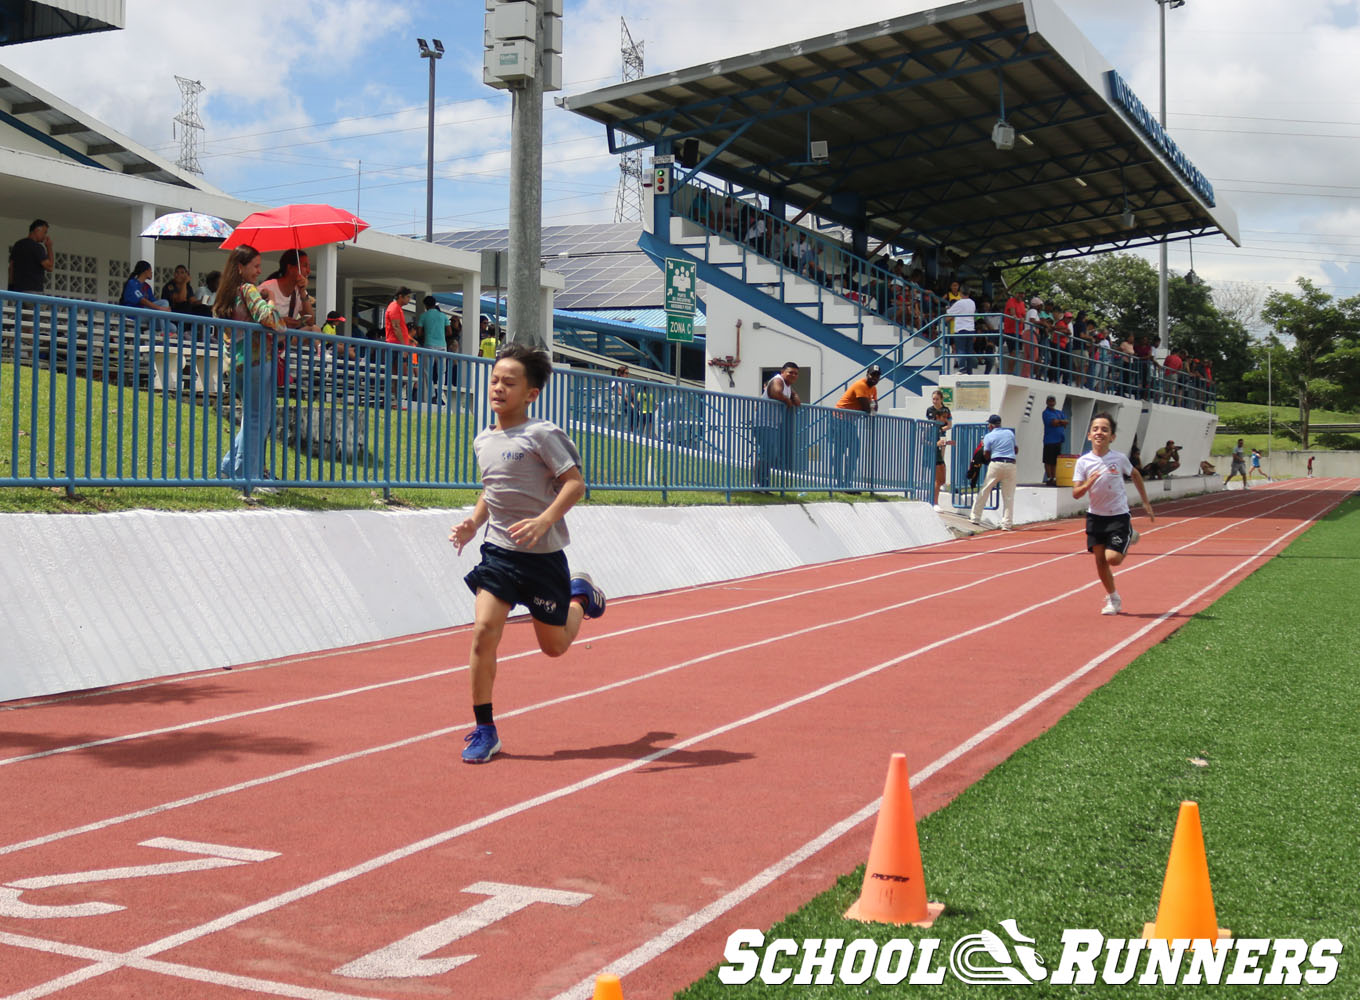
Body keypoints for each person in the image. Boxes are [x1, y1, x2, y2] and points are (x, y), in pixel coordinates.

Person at [449, 343, 607, 764]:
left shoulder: (542, 435)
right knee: (484, 630)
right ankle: (485, 729)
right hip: (500, 553)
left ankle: (579, 597)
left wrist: (544, 520)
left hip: (543, 556)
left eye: (510, 382)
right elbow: (493, 491)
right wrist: (472, 523)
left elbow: (574, 484)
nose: (498, 388)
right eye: (495, 380)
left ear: (531, 393)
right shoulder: (483, 439)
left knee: (553, 647)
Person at [215, 244, 284, 488]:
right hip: (256, 362)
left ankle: (228, 468)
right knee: (258, 420)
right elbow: (271, 320)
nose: (259, 271)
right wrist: (273, 300)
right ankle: (249, 477)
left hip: (236, 364)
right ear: (241, 267)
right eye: (255, 266)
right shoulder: (247, 289)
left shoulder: (226, 293)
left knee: (251, 418)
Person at [1072, 411, 1155, 615]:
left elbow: (1135, 474)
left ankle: (1128, 535)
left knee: (1113, 559)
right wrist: (1088, 483)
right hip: (1095, 517)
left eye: (1105, 429)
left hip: (1118, 516)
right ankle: (1113, 598)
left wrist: (1145, 502)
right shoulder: (1083, 462)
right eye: (1096, 429)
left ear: (1112, 436)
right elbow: (1076, 493)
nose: (1100, 432)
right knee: (1100, 562)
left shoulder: (1118, 458)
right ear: (1089, 435)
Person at [753, 361, 801, 490]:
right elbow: (776, 392)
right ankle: (757, 484)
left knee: (770, 454)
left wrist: (794, 398)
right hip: (763, 423)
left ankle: (764, 484)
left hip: (772, 424)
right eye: (790, 372)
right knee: (766, 453)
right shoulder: (777, 380)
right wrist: (787, 401)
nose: (793, 375)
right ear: (782, 372)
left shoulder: (788, 385)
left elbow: (795, 397)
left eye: (796, 374)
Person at [834, 364, 880, 490]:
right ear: (867, 374)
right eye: (872, 375)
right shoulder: (860, 385)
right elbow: (867, 407)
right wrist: (870, 408)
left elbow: (875, 408)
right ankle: (839, 483)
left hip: (849, 422)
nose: (875, 378)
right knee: (840, 452)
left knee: (854, 452)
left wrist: (871, 408)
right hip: (838, 419)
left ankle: (847, 483)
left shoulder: (873, 389)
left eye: (877, 376)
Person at [969, 414, 1018, 530]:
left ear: (991, 425)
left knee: (985, 490)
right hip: (1011, 464)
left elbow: (986, 454)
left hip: (996, 463)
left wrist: (989, 458)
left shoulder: (988, 436)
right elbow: (1016, 449)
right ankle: (1007, 524)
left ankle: (975, 517)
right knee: (1008, 496)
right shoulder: (1010, 433)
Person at [385, 287, 417, 405]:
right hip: (396, 345)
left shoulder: (397, 308)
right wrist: (404, 346)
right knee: (401, 374)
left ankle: (394, 400)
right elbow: (396, 327)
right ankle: (393, 400)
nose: (409, 299)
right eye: (408, 297)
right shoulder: (394, 307)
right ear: (400, 296)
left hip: (397, 345)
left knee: (398, 375)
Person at [417, 295, 451, 404]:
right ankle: (440, 394)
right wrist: (441, 335)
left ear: (426, 305)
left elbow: (419, 332)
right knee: (442, 372)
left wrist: (426, 335)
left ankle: (428, 396)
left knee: (427, 372)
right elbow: (449, 331)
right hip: (442, 345)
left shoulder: (423, 316)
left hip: (429, 345)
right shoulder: (443, 316)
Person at [925, 388, 952, 510]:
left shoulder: (946, 410)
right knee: (936, 473)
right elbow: (925, 439)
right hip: (933, 445)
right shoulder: (930, 415)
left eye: (937, 399)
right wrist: (934, 443)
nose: (934, 401)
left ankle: (937, 490)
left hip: (940, 441)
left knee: (942, 471)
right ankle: (934, 501)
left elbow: (949, 425)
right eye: (933, 399)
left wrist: (944, 433)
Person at [1040, 395, 1068, 486]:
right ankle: (1049, 478)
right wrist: (1061, 422)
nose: (1051, 403)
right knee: (1048, 461)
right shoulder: (1046, 413)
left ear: (1055, 402)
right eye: (1050, 401)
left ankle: (1054, 477)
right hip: (1049, 440)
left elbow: (1066, 421)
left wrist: (1059, 422)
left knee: (1055, 461)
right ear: (1047, 402)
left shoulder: (1059, 412)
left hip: (1058, 440)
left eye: (1053, 401)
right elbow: (1053, 423)